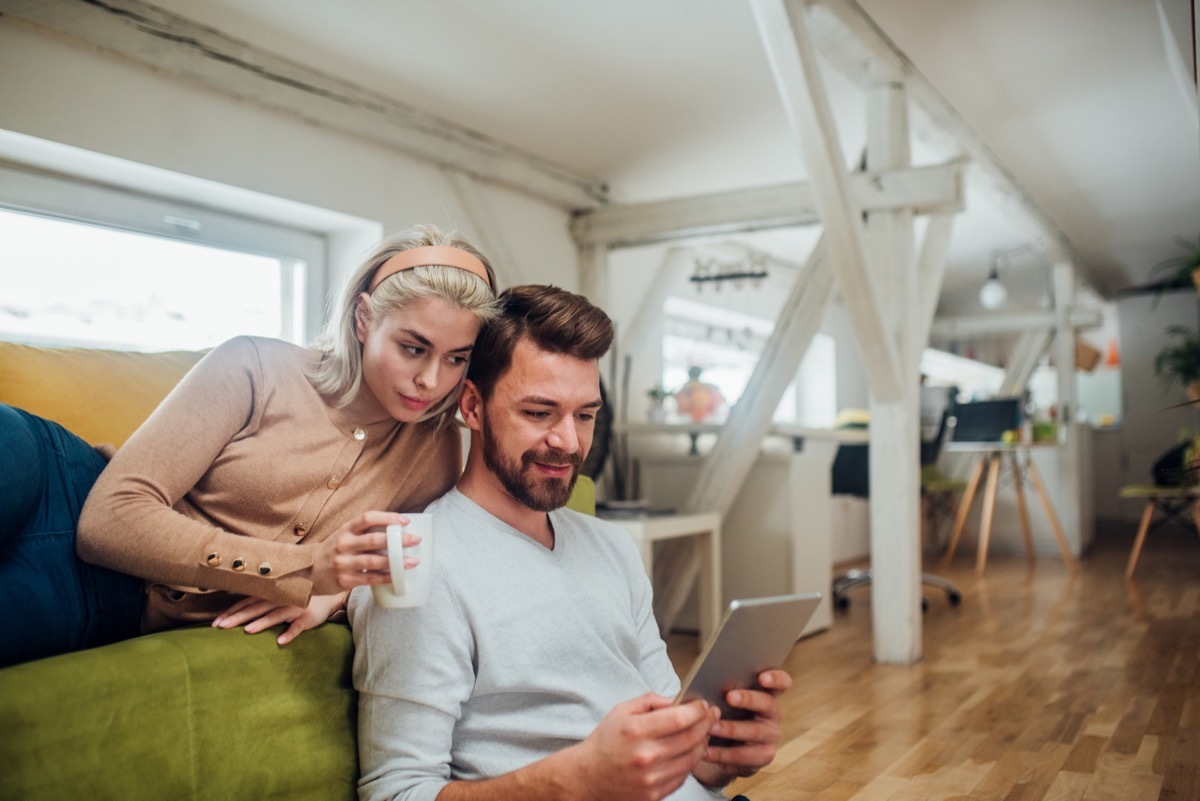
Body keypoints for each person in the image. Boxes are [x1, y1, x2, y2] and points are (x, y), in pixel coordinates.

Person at [349, 285, 791, 801]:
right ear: (472, 405)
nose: (569, 442)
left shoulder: (612, 547)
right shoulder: (417, 567)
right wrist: (574, 781)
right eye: (539, 413)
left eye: (584, 415)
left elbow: (670, 737)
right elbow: (395, 793)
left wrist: (717, 756)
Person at [0, 224, 500, 668]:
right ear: (365, 318)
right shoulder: (254, 364)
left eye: (457, 359)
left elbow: (394, 578)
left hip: (107, 598)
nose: (431, 380)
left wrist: (331, 596)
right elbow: (108, 519)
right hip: (60, 487)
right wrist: (302, 569)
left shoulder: (436, 450)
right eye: (413, 348)